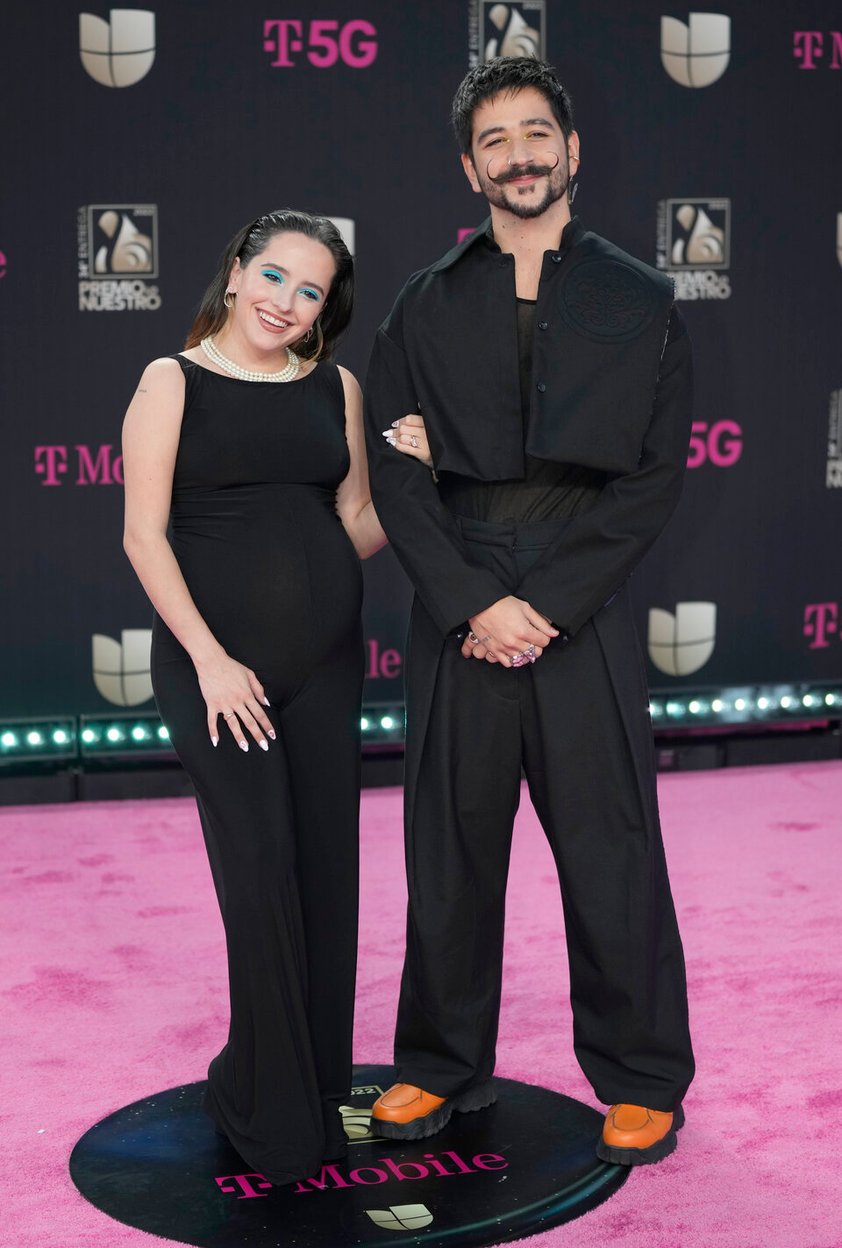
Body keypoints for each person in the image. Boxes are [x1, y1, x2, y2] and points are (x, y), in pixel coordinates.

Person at [363, 57, 696, 1167]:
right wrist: (471, 604)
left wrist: (543, 604)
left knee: (609, 848)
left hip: (575, 595)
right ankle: (438, 1064)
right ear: (470, 167)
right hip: (458, 587)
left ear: (570, 150)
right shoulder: (420, 303)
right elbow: (395, 476)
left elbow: (649, 479)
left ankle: (641, 1073)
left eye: (534, 132)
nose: (518, 153)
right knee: (447, 849)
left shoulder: (639, 298)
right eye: (495, 139)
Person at [122, 209, 394, 1185]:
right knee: (261, 879)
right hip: (218, 675)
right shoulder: (171, 380)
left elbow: (353, 518)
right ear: (236, 274)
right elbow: (144, 536)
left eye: (310, 290)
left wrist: (419, 483)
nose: (286, 302)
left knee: (325, 877)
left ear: (326, 307)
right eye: (273, 277)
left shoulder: (338, 387)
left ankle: (309, 1090)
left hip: (328, 669)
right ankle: (266, 1112)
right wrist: (207, 658)